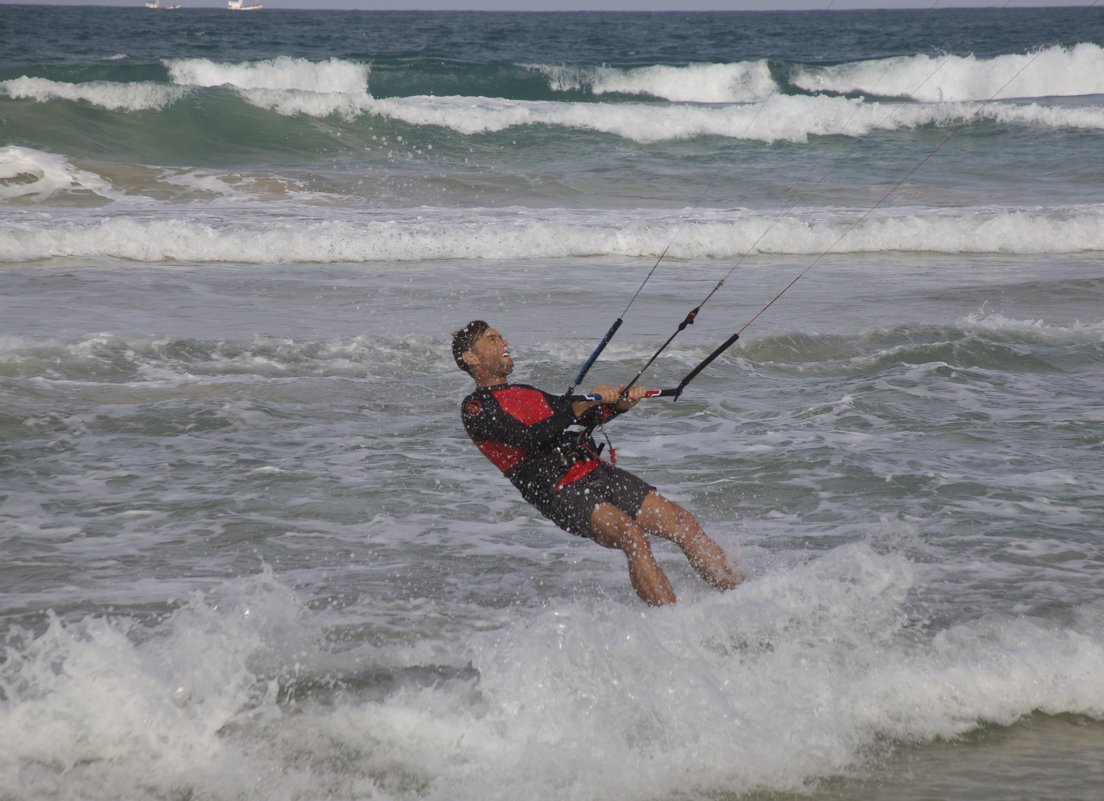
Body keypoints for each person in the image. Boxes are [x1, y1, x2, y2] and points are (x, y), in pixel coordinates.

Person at [452, 320, 744, 606]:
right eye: (493, 339)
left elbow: (578, 417)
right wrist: (580, 404)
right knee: (633, 537)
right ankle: (675, 626)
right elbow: (528, 437)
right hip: (560, 490)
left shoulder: (524, 391)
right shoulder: (476, 408)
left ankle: (743, 596)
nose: (504, 343)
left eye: (502, 337)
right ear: (471, 357)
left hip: (593, 469)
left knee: (682, 523)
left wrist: (616, 406)